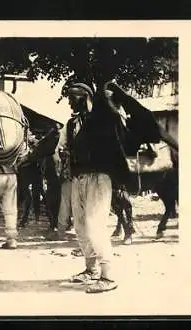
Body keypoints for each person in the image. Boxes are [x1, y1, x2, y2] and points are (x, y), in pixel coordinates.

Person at [57, 82, 131, 294]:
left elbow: (117, 135)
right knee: (80, 226)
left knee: (95, 225)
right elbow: (62, 146)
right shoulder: (70, 124)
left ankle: (107, 276)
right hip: (78, 178)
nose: (69, 101)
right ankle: (91, 270)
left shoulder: (101, 121)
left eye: (72, 97)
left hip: (99, 178)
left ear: (84, 97)